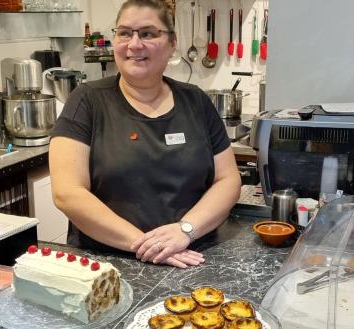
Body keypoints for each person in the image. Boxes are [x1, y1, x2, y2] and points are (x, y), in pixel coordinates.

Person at [49, 0, 241, 268]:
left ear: (172, 43)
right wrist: (148, 245)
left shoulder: (195, 101)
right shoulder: (87, 101)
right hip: (106, 266)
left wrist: (185, 230)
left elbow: (228, 180)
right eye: (125, 33)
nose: (134, 44)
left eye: (148, 33)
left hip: (193, 258)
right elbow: (67, 192)